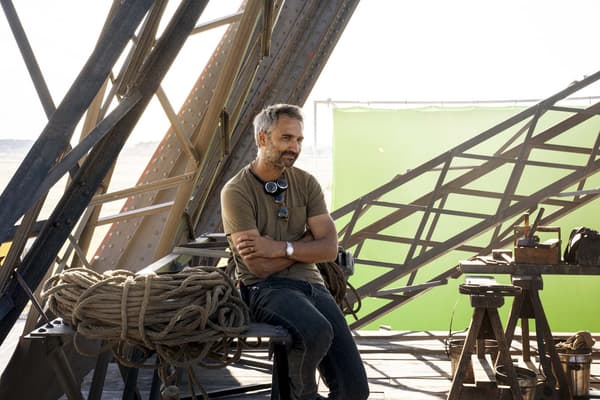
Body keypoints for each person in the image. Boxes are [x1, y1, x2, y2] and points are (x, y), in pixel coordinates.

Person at [220, 104, 369, 400]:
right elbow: (259, 267)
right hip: (265, 289)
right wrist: (305, 245)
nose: (294, 147)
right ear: (263, 139)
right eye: (286, 138)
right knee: (315, 331)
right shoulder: (237, 192)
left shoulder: (306, 183)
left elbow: (328, 248)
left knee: (355, 390)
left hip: (314, 286)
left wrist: (279, 247)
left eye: (299, 140)